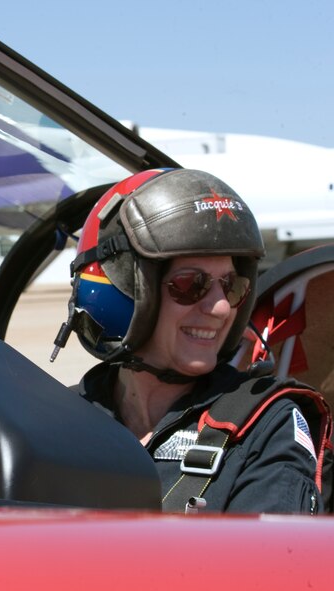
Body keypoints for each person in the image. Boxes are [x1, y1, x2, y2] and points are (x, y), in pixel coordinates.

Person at [53, 168, 330, 513]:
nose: (221, 307)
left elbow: (270, 548)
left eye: (232, 286)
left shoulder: (266, 427)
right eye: (189, 285)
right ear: (125, 292)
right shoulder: (58, 420)